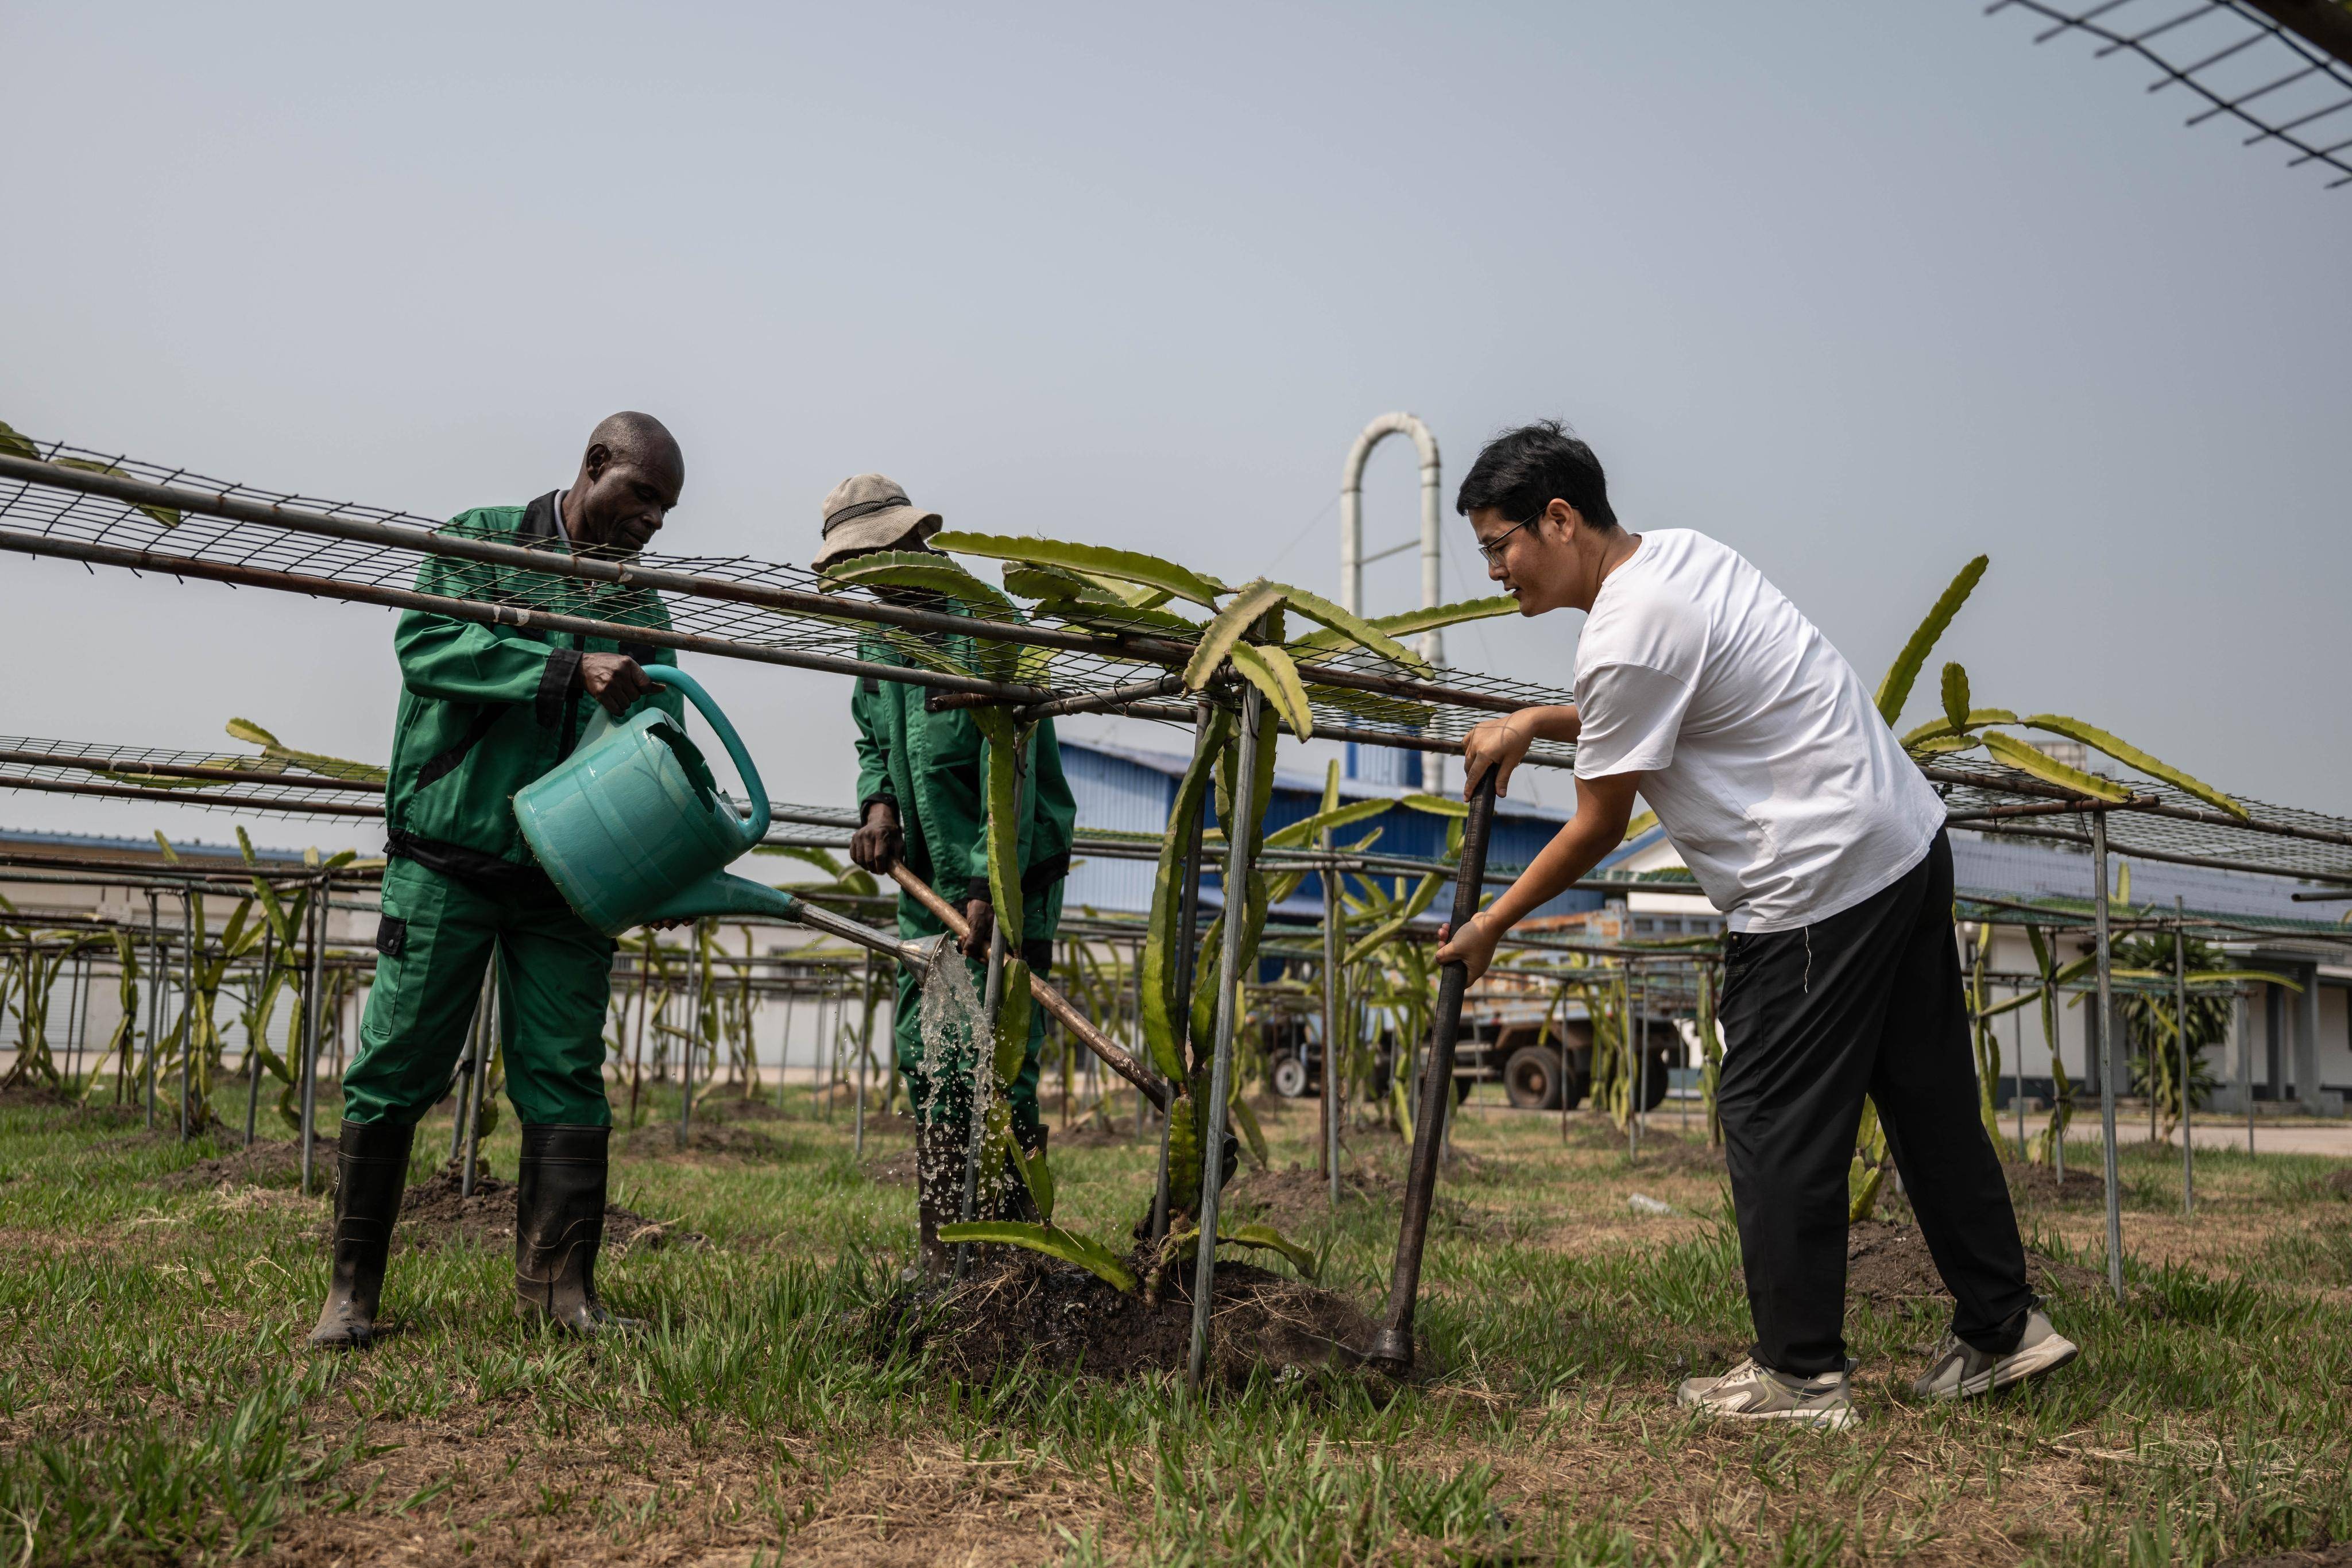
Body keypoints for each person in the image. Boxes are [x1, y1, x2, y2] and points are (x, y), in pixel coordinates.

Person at [1434, 421, 2076, 1426]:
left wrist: (1491, 927)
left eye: (1498, 542)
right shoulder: (1683, 559)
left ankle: (1800, 1374)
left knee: (1770, 1116)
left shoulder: (1621, 632)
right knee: (1929, 1102)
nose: (1494, 569)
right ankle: (2004, 1328)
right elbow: (1651, 702)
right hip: (1901, 843)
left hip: (1815, 884)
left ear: (1558, 520)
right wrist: (1533, 721)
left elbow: (1601, 820)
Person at [311, 412, 690, 1349]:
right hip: (451, 857)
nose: (653, 521)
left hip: (569, 881)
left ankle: (561, 1293)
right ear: (595, 465)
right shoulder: (479, 542)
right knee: (398, 1064)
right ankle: (352, 1293)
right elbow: (428, 652)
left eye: (667, 509)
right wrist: (567, 666)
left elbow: (664, 734)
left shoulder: (642, 608)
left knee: (565, 1074)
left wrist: (668, 852)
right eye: (643, 495)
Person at [821, 473, 1076, 1278]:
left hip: (1007, 877)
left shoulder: (987, 624)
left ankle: (1013, 1256)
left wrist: (987, 886)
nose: (865, 582)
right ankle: (944, 1260)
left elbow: (1016, 768)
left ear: (909, 543)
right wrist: (878, 806)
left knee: (1002, 1055)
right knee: (928, 1051)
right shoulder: (877, 634)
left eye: (872, 562)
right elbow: (872, 735)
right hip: (923, 883)